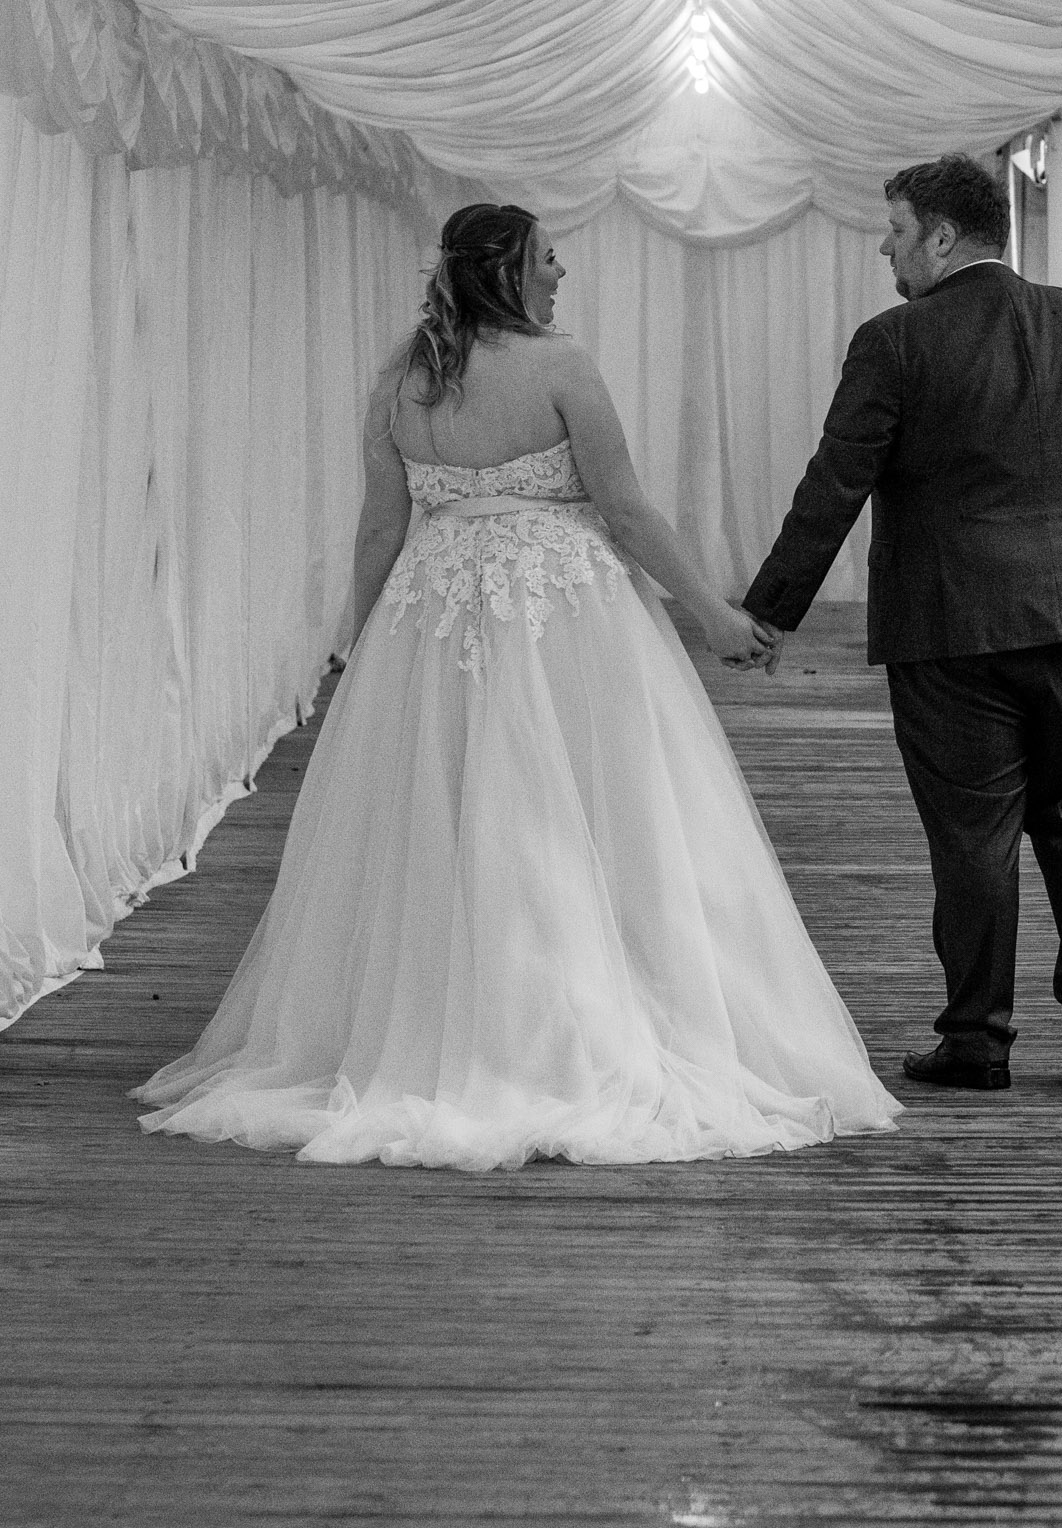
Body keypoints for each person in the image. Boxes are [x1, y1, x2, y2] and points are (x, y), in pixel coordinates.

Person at [135, 203, 899, 1167]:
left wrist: (358, 643)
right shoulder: (561, 367)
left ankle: (448, 1029)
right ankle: (568, 1023)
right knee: (592, 815)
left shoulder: (399, 382)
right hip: (565, 618)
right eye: (547, 258)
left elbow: (381, 528)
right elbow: (624, 510)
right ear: (508, 274)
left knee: (448, 819)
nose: (560, 273)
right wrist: (711, 615)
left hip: (433, 618)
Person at [743, 155, 1062, 1091]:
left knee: (973, 838)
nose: (884, 249)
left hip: (952, 630)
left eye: (894, 230)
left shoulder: (894, 340)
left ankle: (976, 1042)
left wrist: (768, 614)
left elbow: (834, 485)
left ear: (937, 235)